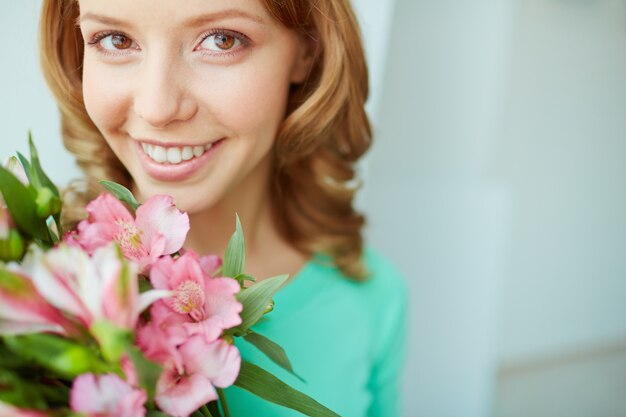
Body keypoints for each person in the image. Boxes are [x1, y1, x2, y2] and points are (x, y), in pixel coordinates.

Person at [39, 0, 408, 415]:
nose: (157, 108)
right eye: (116, 39)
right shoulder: (35, 288)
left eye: (221, 40)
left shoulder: (371, 298)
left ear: (309, 49)